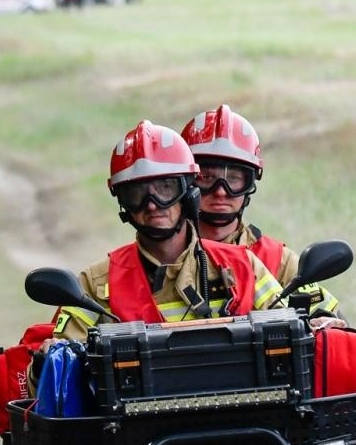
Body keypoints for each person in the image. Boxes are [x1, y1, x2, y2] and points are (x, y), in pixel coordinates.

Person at [52, 120, 283, 340]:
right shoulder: (96, 285)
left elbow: (291, 332)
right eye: (137, 194)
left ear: (188, 194)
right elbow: (55, 368)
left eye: (165, 188)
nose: (152, 204)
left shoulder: (244, 265)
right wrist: (47, 357)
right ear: (124, 204)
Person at [179, 104, 340, 318]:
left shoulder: (278, 261)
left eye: (234, 179)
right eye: (207, 177)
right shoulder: (161, 257)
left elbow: (338, 331)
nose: (220, 191)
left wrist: (326, 324)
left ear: (251, 183)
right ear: (184, 182)